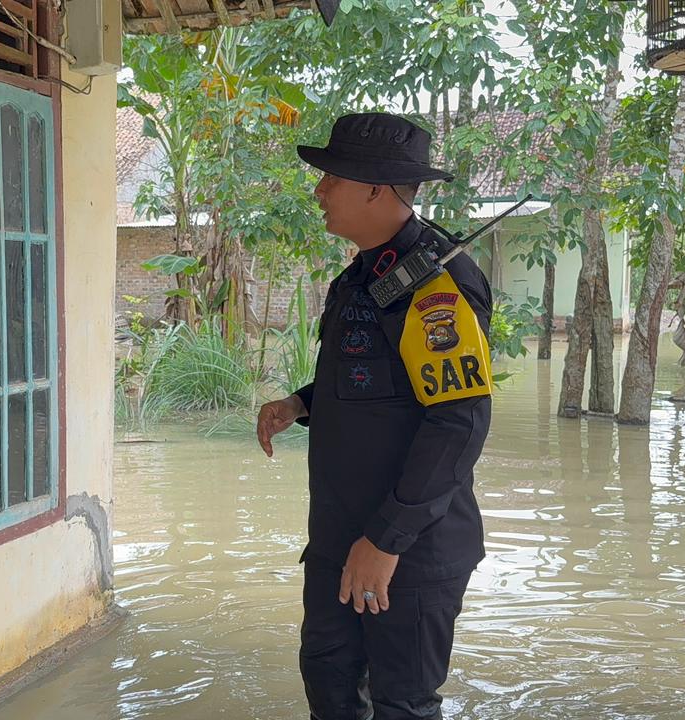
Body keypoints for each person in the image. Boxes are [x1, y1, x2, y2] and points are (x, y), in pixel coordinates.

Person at [256, 113, 493, 720]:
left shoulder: (437, 284)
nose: (319, 190)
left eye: (332, 177)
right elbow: (377, 380)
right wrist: (302, 403)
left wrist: (385, 541)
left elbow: (458, 421)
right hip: (340, 538)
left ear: (374, 189)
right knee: (329, 683)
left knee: (401, 704)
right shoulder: (360, 278)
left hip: (409, 548)